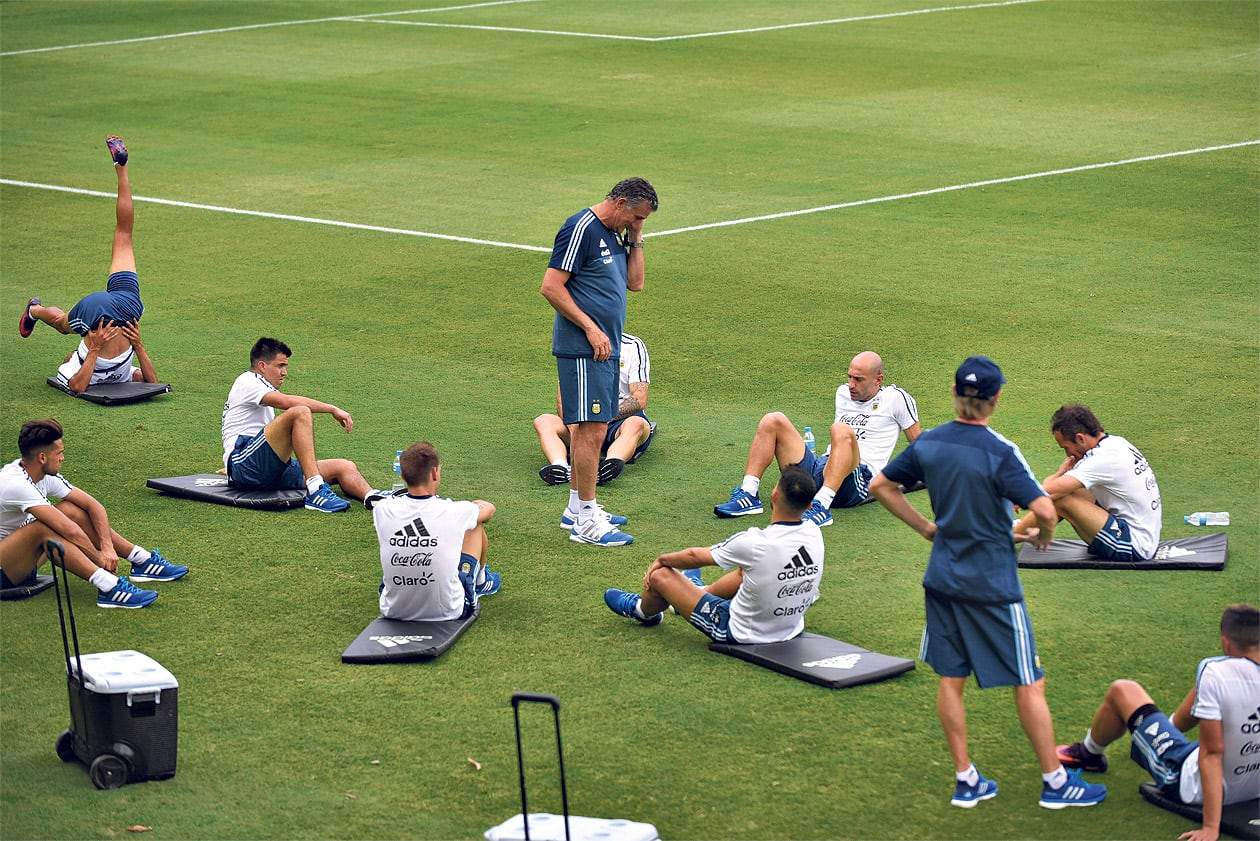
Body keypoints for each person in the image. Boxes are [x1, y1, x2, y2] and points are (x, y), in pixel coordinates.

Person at [869, 356, 1107, 810]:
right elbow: (1041, 507)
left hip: (941, 577)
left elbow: (882, 486)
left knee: (951, 679)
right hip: (993, 585)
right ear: (995, 399)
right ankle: (1056, 784)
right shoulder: (1000, 450)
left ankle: (966, 778)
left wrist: (924, 528)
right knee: (1029, 681)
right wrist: (1045, 534)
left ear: (956, 393)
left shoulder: (930, 443)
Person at [1056, 604, 1259, 841]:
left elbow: (1212, 754)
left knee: (1123, 690)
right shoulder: (1218, 676)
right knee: (1208, 692)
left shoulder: (1215, 671)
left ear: (1226, 642)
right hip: (1254, 789)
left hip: (1192, 785)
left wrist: (1211, 828)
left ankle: (1088, 754)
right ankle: (1169, 731)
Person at [540, 177, 658, 547]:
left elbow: (635, 283)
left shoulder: (616, 234)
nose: (635, 224)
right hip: (583, 349)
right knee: (590, 429)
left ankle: (576, 508)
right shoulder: (582, 228)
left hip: (606, 351)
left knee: (592, 428)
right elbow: (551, 286)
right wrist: (591, 329)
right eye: (635, 216)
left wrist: (636, 236)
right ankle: (587, 521)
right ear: (620, 202)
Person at [604, 465, 823, 643]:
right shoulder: (814, 532)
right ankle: (695, 593)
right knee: (748, 571)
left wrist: (661, 560)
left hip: (738, 630)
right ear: (810, 505)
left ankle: (643, 611)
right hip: (790, 628)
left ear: (774, 496)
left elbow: (693, 557)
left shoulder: (755, 542)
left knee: (661, 576)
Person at [18, 136, 161, 394]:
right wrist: (136, 345)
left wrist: (94, 350)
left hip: (120, 308)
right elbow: (151, 382)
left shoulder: (76, 366)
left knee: (124, 234)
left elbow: (78, 384)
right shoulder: (120, 372)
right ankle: (34, 311)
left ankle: (122, 168)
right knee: (63, 323)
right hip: (116, 310)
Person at [714, 350, 920, 527]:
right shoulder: (842, 393)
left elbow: (919, 445)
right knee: (773, 420)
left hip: (858, 478)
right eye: (849, 377)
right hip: (824, 466)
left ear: (878, 379)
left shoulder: (895, 399)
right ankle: (749, 493)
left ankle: (821, 505)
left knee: (840, 430)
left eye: (858, 380)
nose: (851, 385)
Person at [0, 419, 187, 609]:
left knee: (70, 510)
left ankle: (141, 560)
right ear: (42, 458)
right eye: (59, 453)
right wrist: (99, 560)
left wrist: (107, 548)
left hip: (21, 561)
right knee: (44, 529)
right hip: (4, 571)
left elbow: (92, 505)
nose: (63, 458)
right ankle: (108, 586)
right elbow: (67, 529)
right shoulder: (15, 484)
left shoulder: (42, 475)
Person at [221, 337, 388, 513]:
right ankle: (315, 490)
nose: (284, 372)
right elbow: (286, 402)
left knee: (344, 466)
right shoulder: (247, 381)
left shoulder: (259, 387)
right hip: (245, 465)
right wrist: (332, 409)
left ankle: (372, 497)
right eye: (280, 366)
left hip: (266, 467)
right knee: (299, 412)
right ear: (262, 366)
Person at [1014, 404, 1162, 561]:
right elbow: (1053, 486)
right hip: (1137, 531)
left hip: (1135, 544)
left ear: (1080, 438)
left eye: (1066, 447)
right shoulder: (1115, 443)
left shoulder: (1102, 460)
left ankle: (1007, 537)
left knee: (1063, 498)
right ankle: (1018, 529)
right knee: (1066, 493)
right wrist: (1061, 473)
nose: (1067, 453)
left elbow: (1053, 490)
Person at [373, 441, 500, 622]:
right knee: (475, 525)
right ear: (434, 473)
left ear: (402, 474)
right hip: (448, 610)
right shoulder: (455, 511)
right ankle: (480, 581)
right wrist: (473, 506)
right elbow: (489, 510)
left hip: (392, 609)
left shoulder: (382, 509)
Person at [535, 332, 654, 488]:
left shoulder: (632, 346)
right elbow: (564, 398)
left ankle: (607, 467)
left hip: (619, 421)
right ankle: (561, 468)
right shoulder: (574, 346)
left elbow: (639, 398)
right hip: (582, 419)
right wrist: (574, 426)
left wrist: (605, 417)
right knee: (543, 421)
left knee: (636, 424)